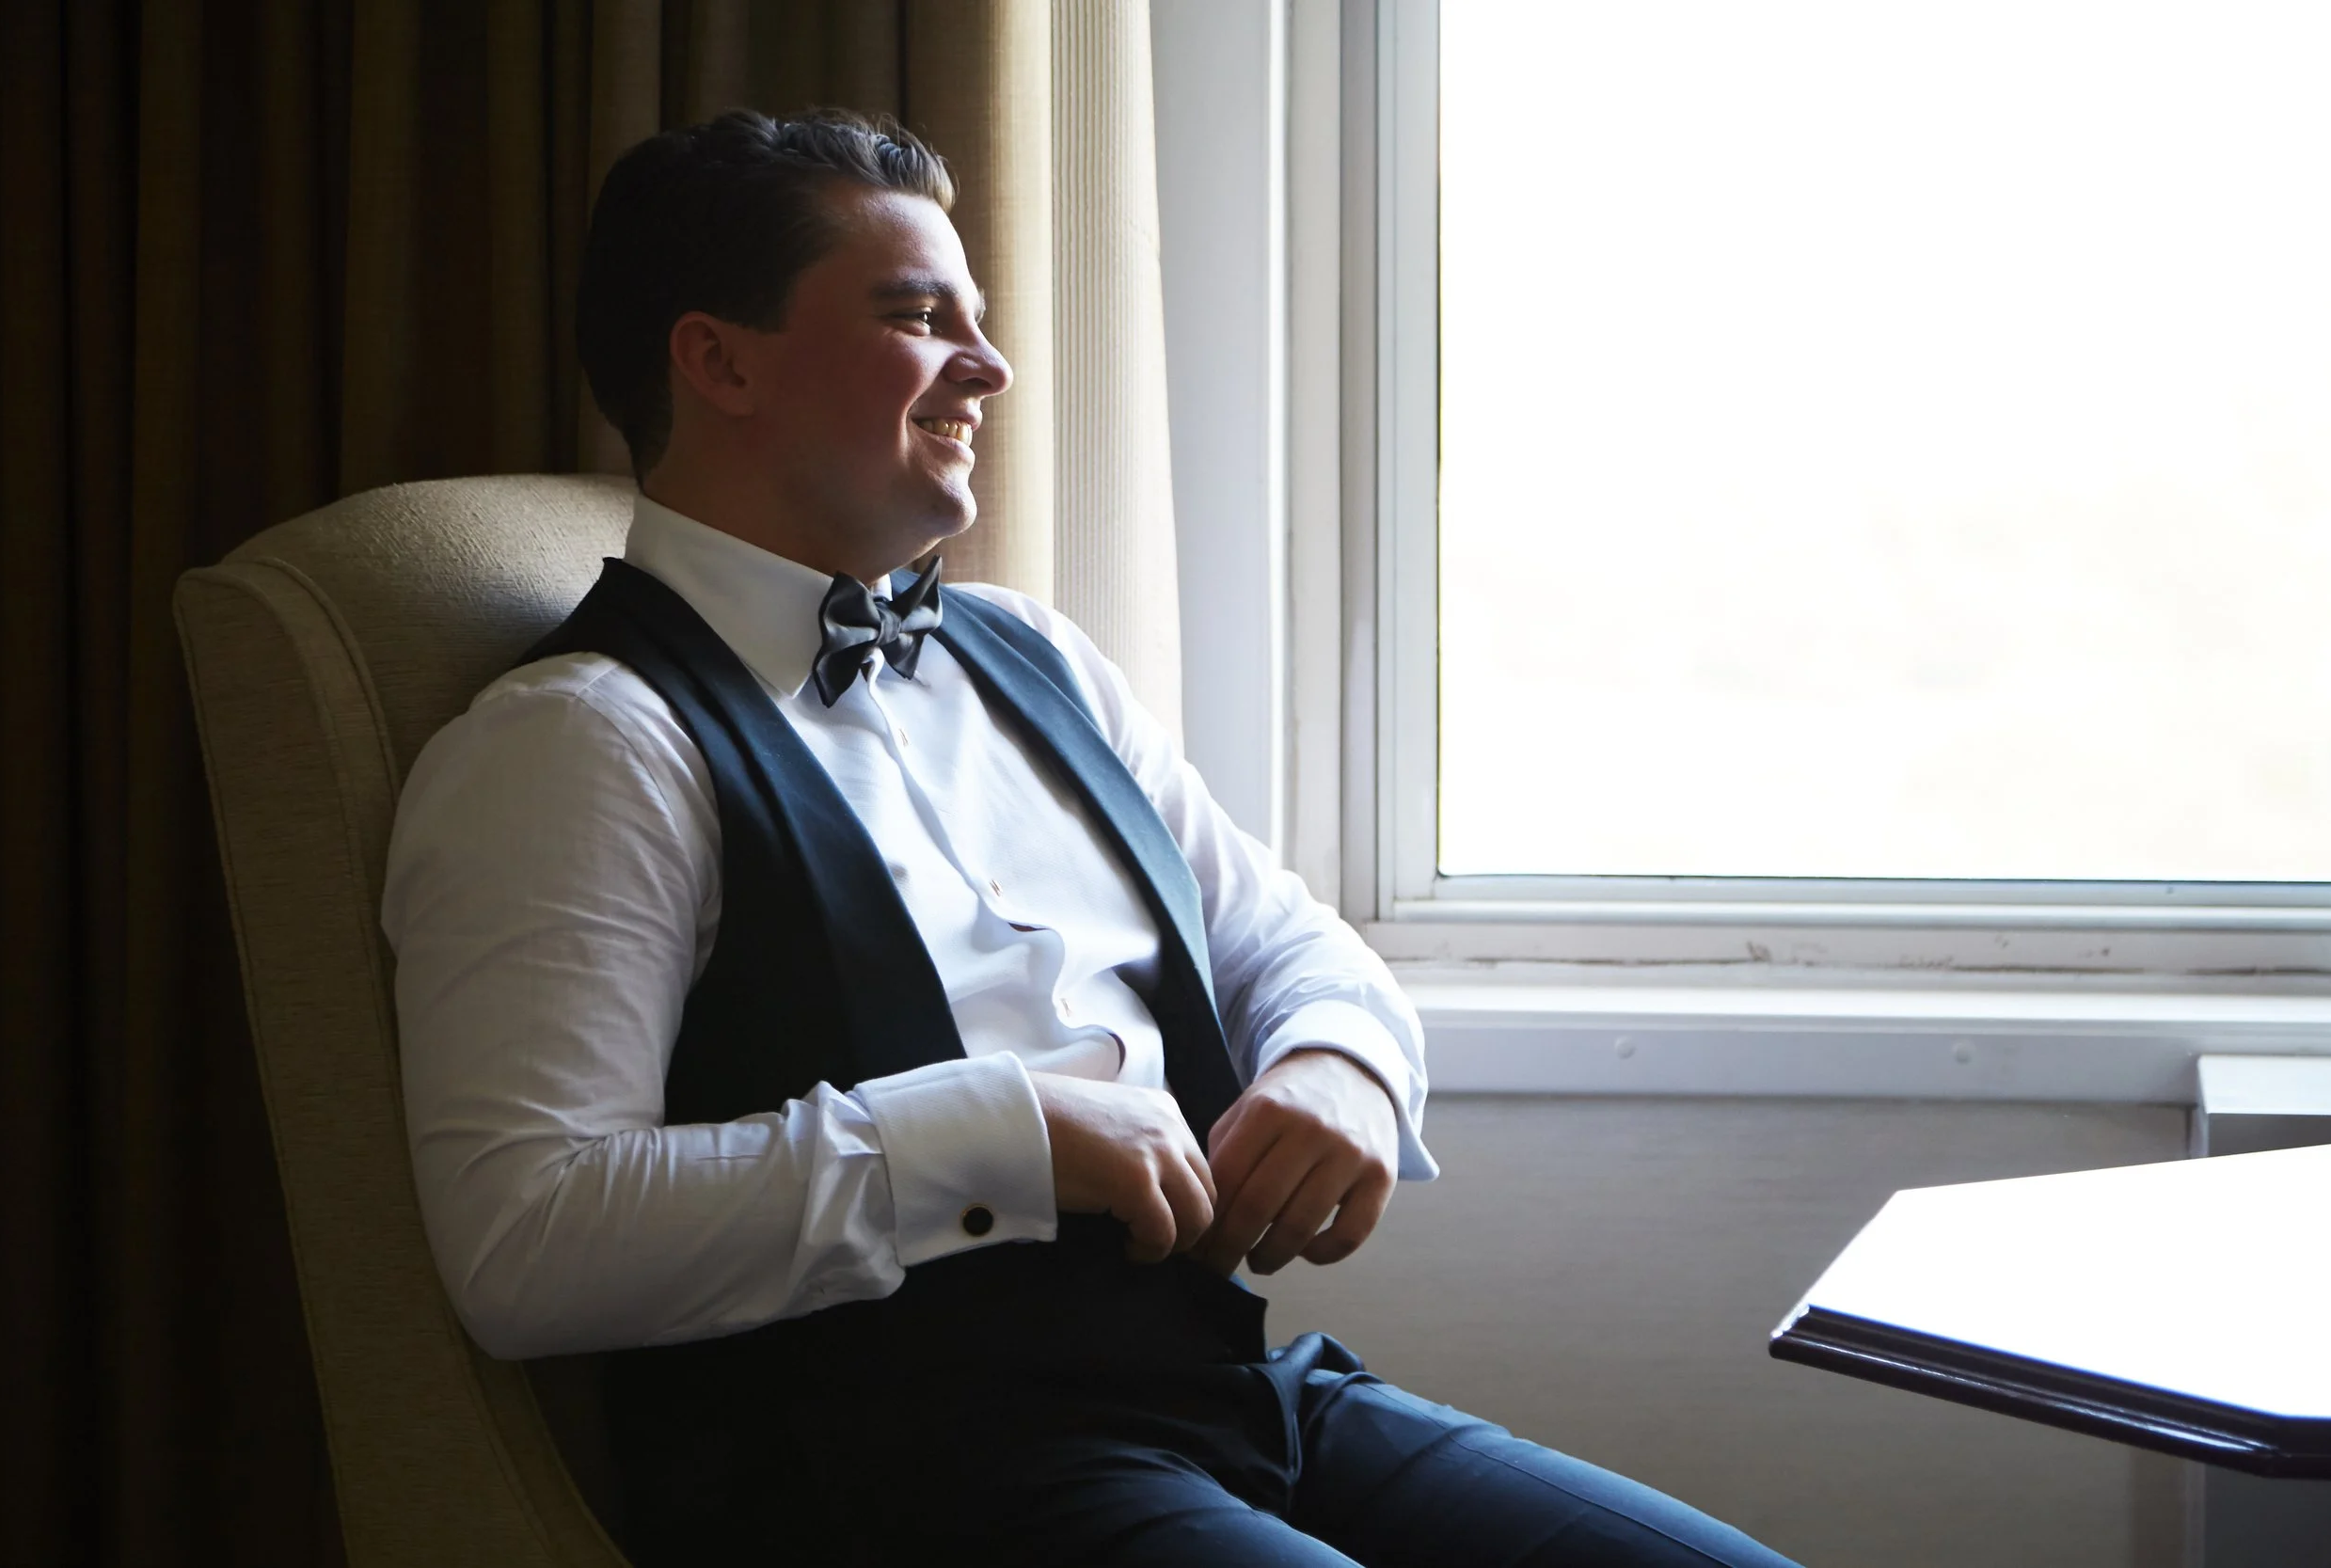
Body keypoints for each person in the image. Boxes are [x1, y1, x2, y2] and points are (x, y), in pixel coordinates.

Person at [383, 108, 1798, 1568]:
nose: (988, 366)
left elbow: (1281, 936)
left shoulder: (1032, 654)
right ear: (720, 359)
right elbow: (525, 1239)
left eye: (978, 320)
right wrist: (1010, 1130)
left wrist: (1341, 1062)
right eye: (919, 317)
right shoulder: (583, 741)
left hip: (1237, 1396)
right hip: (914, 1478)